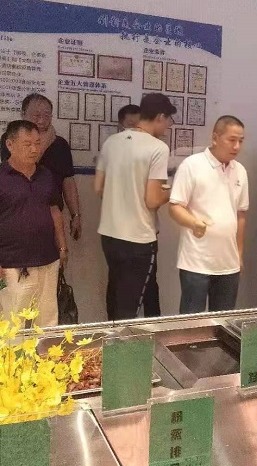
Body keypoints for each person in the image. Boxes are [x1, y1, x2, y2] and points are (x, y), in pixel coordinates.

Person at [95, 93, 175, 320]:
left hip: (110, 235)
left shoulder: (112, 142)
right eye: (168, 120)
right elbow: (152, 200)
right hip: (138, 239)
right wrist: (172, 190)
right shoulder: (157, 148)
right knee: (130, 308)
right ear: (160, 117)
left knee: (115, 295)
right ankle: (125, 343)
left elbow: (98, 187)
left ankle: (112, 340)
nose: (168, 126)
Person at [169, 115, 248, 314]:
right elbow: (175, 206)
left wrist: (239, 254)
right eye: (232, 140)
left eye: (241, 141)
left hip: (228, 263)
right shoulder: (192, 165)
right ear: (215, 138)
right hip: (196, 261)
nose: (237, 146)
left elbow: (241, 214)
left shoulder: (240, 170)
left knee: (223, 322)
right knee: (192, 321)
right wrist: (194, 223)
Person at [0, 120, 67, 326]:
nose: (34, 149)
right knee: (14, 323)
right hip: (13, 263)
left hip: (48, 259)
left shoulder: (45, 175)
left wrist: (62, 246)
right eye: (27, 144)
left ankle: (46, 350)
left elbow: (54, 210)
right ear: (10, 144)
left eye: (37, 143)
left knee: (48, 321)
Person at [0, 93, 82, 240]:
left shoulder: (60, 144)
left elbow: (68, 181)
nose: (42, 120)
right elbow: (22, 170)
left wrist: (75, 215)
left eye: (47, 115)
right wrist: (45, 141)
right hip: (18, 215)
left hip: (52, 215)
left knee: (54, 253)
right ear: (23, 114)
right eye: (36, 115)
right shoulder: (10, 139)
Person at [116, 103, 160, 318]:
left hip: (147, 233)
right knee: (118, 283)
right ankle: (116, 329)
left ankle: (155, 330)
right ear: (120, 127)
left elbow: (156, 198)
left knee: (150, 285)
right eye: (130, 126)